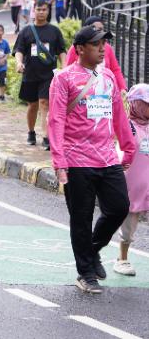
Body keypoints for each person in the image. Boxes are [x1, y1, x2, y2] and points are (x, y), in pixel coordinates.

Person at [48, 26, 136, 294]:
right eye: (96, 44)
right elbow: (56, 120)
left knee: (119, 207)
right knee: (81, 217)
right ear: (80, 48)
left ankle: (92, 250)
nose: (102, 49)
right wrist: (59, 160)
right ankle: (85, 273)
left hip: (107, 157)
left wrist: (128, 147)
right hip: (76, 159)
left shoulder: (107, 77)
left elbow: (119, 116)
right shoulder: (63, 79)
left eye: (104, 44)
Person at [14, 0, 66, 150]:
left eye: (44, 10)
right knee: (33, 105)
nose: (41, 12)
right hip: (30, 73)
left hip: (48, 75)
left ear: (48, 11)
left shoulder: (54, 31)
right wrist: (19, 63)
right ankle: (31, 131)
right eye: (39, 9)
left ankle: (46, 136)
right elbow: (19, 50)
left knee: (45, 103)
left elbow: (62, 50)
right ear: (33, 11)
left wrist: (64, 66)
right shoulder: (26, 31)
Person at [112, 84, 149, 276]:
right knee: (129, 225)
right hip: (132, 186)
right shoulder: (129, 127)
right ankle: (122, 258)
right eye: (146, 104)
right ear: (137, 104)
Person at [65, 16, 126, 93]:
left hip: (105, 92)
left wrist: (122, 88)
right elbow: (68, 69)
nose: (102, 49)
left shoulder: (107, 49)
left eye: (101, 29)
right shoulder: (75, 49)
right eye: (96, 30)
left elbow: (115, 69)